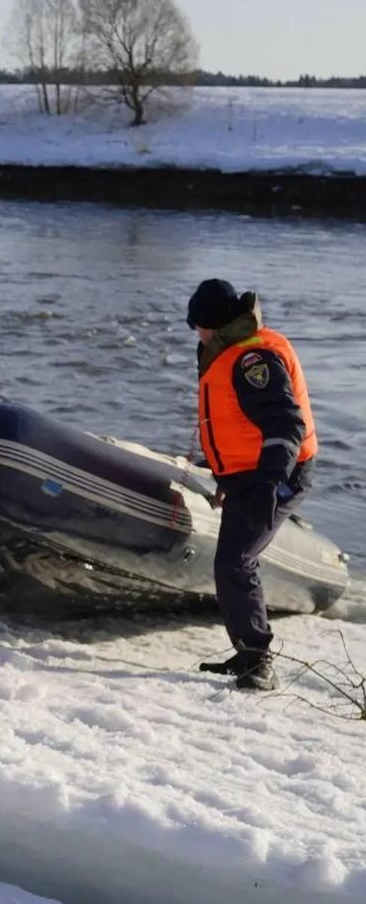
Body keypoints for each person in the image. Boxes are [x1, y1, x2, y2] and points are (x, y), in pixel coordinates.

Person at [188, 278, 318, 691]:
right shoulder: (228, 350)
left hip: (276, 473)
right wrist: (226, 476)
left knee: (234, 561)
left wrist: (268, 483)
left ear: (212, 324)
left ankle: (258, 664)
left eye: (198, 326)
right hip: (249, 474)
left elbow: (285, 423)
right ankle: (249, 651)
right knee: (233, 561)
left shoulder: (251, 360)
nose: (196, 334)